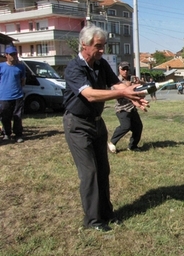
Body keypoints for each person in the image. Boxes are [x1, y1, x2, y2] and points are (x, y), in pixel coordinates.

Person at [63, 24, 149, 233]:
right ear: (84, 45)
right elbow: (91, 94)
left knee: (103, 170)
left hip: (96, 122)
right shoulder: (74, 68)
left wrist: (134, 94)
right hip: (77, 124)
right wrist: (124, 94)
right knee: (89, 172)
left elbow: (116, 85)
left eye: (104, 46)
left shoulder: (101, 64)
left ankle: (106, 213)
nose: (102, 51)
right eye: (98, 46)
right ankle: (92, 220)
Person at [108, 62, 144, 153]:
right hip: (122, 108)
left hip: (132, 107)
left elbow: (141, 90)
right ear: (119, 69)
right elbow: (115, 94)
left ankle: (133, 146)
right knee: (125, 126)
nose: (125, 71)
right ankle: (112, 143)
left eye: (127, 69)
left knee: (138, 127)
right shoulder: (116, 80)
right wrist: (127, 87)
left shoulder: (132, 79)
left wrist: (139, 83)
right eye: (123, 69)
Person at [0, 45, 26, 143]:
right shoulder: (1, 66)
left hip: (17, 95)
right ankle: (6, 133)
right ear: (6, 55)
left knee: (18, 115)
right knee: (5, 115)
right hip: (4, 96)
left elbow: (23, 80)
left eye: (15, 54)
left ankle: (18, 134)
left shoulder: (20, 67)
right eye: (11, 54)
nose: (13, 56)